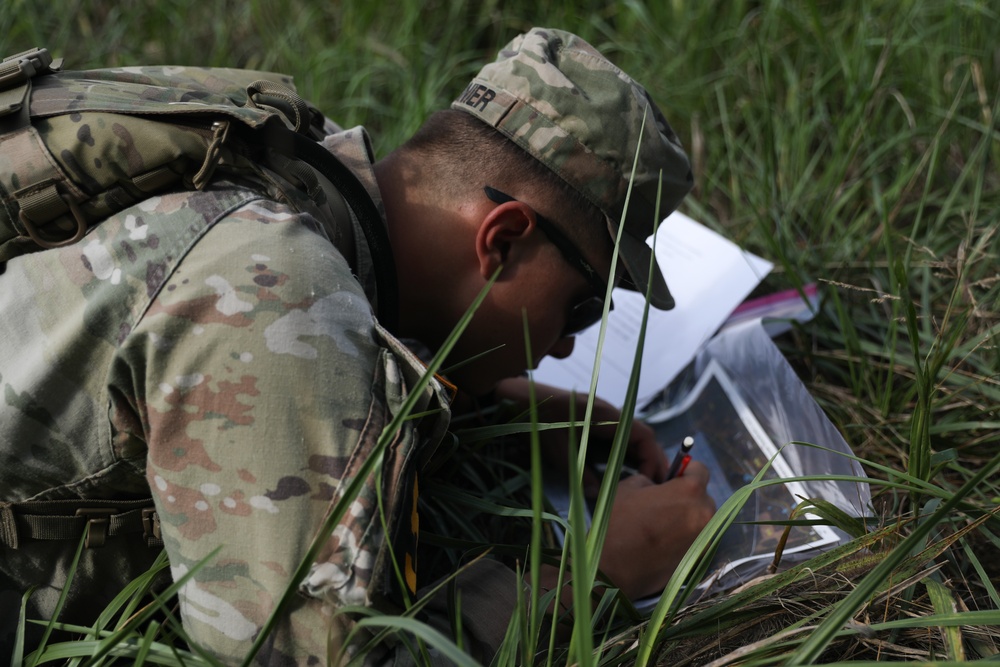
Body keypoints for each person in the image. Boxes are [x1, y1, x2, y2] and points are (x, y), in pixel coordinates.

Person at [0, 28, 715, 663]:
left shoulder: (305, 166)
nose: (562, 347)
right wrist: (598, 573)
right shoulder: (281, 293)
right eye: (581, 307)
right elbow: (307, 655)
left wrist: (500, 413)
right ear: (501, 239)